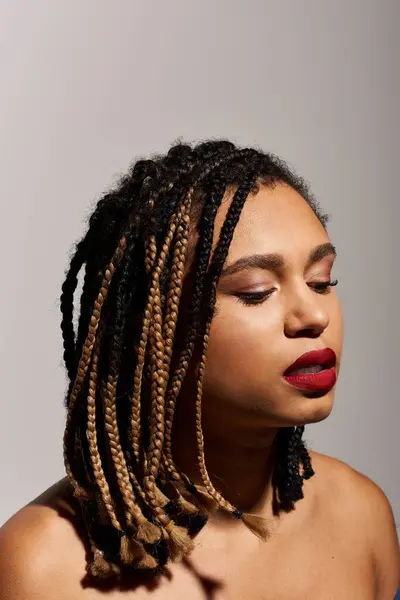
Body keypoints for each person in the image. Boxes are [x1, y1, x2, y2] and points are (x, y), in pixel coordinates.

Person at [0, 140, 399, 599]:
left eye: (321, 281)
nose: (314, 316)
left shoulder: (362, 515)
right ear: (151, 330)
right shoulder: (43, 568)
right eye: (256, 291)